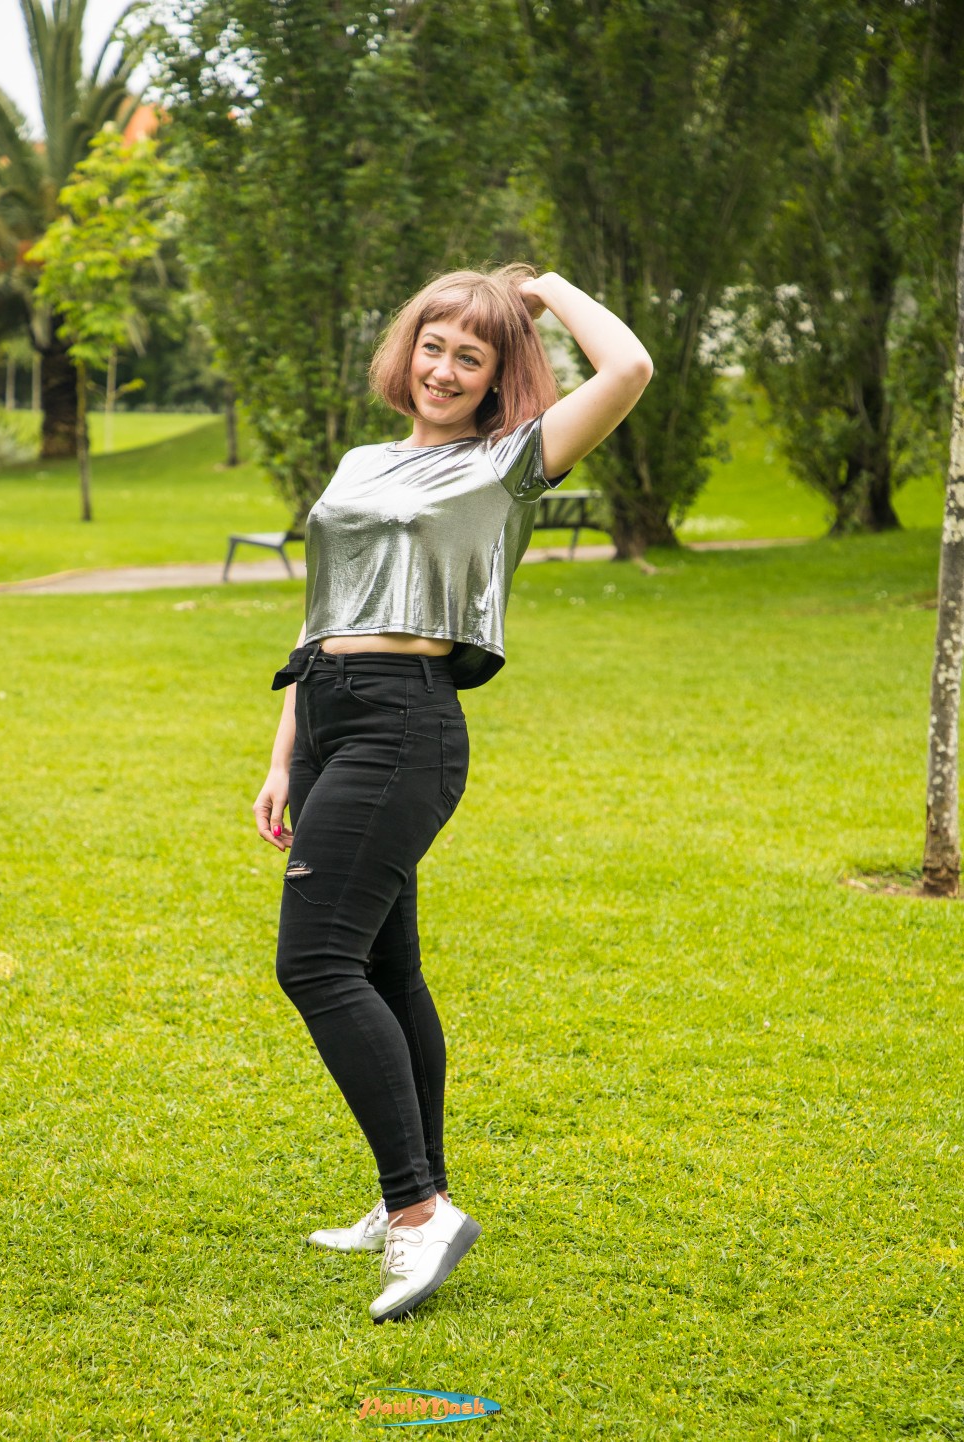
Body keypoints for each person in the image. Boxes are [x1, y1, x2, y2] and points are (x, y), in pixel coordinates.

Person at [253, 264, 652, 1324]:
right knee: (387, 968)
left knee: (315, 962)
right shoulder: (363, 459)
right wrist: (284, 751)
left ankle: (421, 1212)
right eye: (432, 346)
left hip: (405, 722)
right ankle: (410, 1191)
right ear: (407, 350)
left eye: (469, 356)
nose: (442, 369)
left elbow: (629, 367)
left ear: (496, 375)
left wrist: (546, 288)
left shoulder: (511, 461)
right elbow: (321, 613)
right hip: (330, 712)